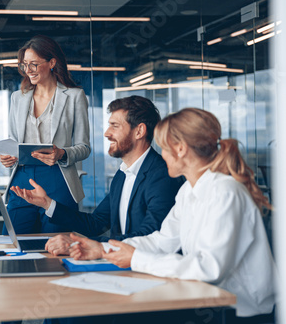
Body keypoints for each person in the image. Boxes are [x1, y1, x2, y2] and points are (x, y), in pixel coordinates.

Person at [69, 108, 275, 322]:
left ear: (180, 149)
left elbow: (209, 268)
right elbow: (162, 240)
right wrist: (103, 249)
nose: (162, 155)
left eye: (164, 148)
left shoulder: (225, 192)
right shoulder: (189, 190)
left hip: (241, 312)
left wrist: (136, 258)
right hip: (209, 302)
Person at [11, 96, 183, 255]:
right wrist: (47, 203)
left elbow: (149, 235)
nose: (107, 133)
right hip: (120, 263)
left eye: (115, 126)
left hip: (146, 268)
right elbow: (96, 223)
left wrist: (79, 244)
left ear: (139, 131)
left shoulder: (162, 175)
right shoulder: (123, 174)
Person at [0, 35, 91, 234]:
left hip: (58, 177)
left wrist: (62, 154)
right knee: (14, 242)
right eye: (24, 64)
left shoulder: (75, 96)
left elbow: (84, 147)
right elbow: (13, 141)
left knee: (56, 244)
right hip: (22, 177)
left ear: (52, 63)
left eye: (34, 64)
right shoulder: (18, 98)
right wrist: (8, 156)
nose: (28, 70)